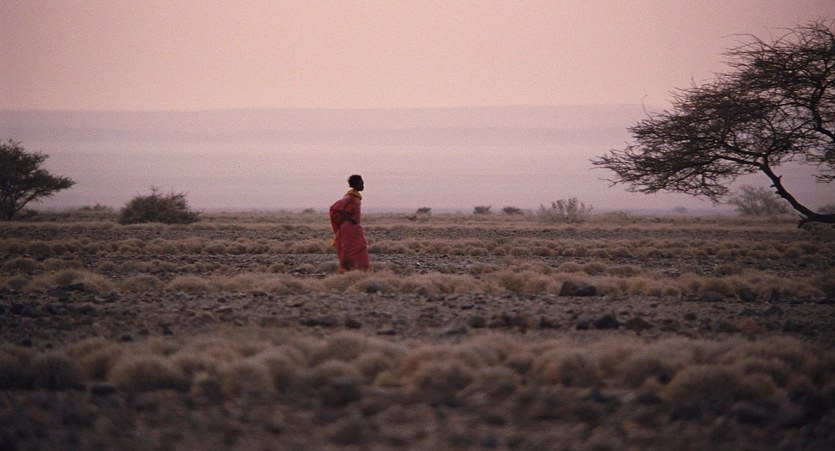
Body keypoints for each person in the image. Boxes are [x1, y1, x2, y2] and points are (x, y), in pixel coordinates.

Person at [329, 174, 370, 273]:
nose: (363, 186)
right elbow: (336, 207)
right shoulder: (350, 196)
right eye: (361, 183)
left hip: (354, 227)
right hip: (349, 227)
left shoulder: (355, 196)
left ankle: (357, 269)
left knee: (360, 246)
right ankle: (346, 269)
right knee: (349, 248)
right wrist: (349, 218)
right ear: (356, 184)